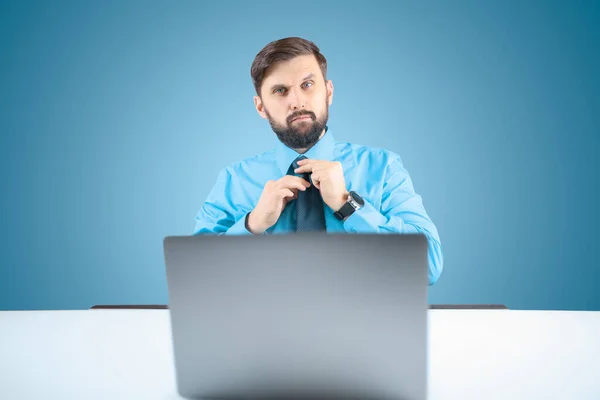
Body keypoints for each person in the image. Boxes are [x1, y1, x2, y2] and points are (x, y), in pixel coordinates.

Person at [193, 37, 443, 285]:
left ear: (329, 92)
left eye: (308, 84)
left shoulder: (383, 168)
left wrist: (349, 206)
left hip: (362, 323)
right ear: (261, 107)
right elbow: (197, 276)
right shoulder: (234, 179)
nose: (297, 101)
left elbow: (429, 267)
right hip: (265, 324)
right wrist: (252, 223)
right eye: (280, 90)